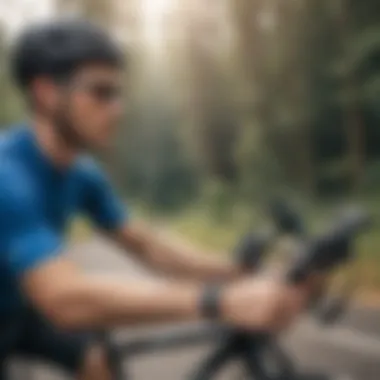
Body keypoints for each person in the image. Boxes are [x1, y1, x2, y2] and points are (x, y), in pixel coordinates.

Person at [0, 19, 315, 380]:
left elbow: (151, 248)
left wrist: (238, 273)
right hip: (29, 307)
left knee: (98, 362)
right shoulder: (6, 176)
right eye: (101, 92)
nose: (117, 108)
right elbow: (65, 298)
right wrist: (218, 302)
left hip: (21, 309)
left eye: (119, 94)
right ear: (46, 93)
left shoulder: (81, 173)